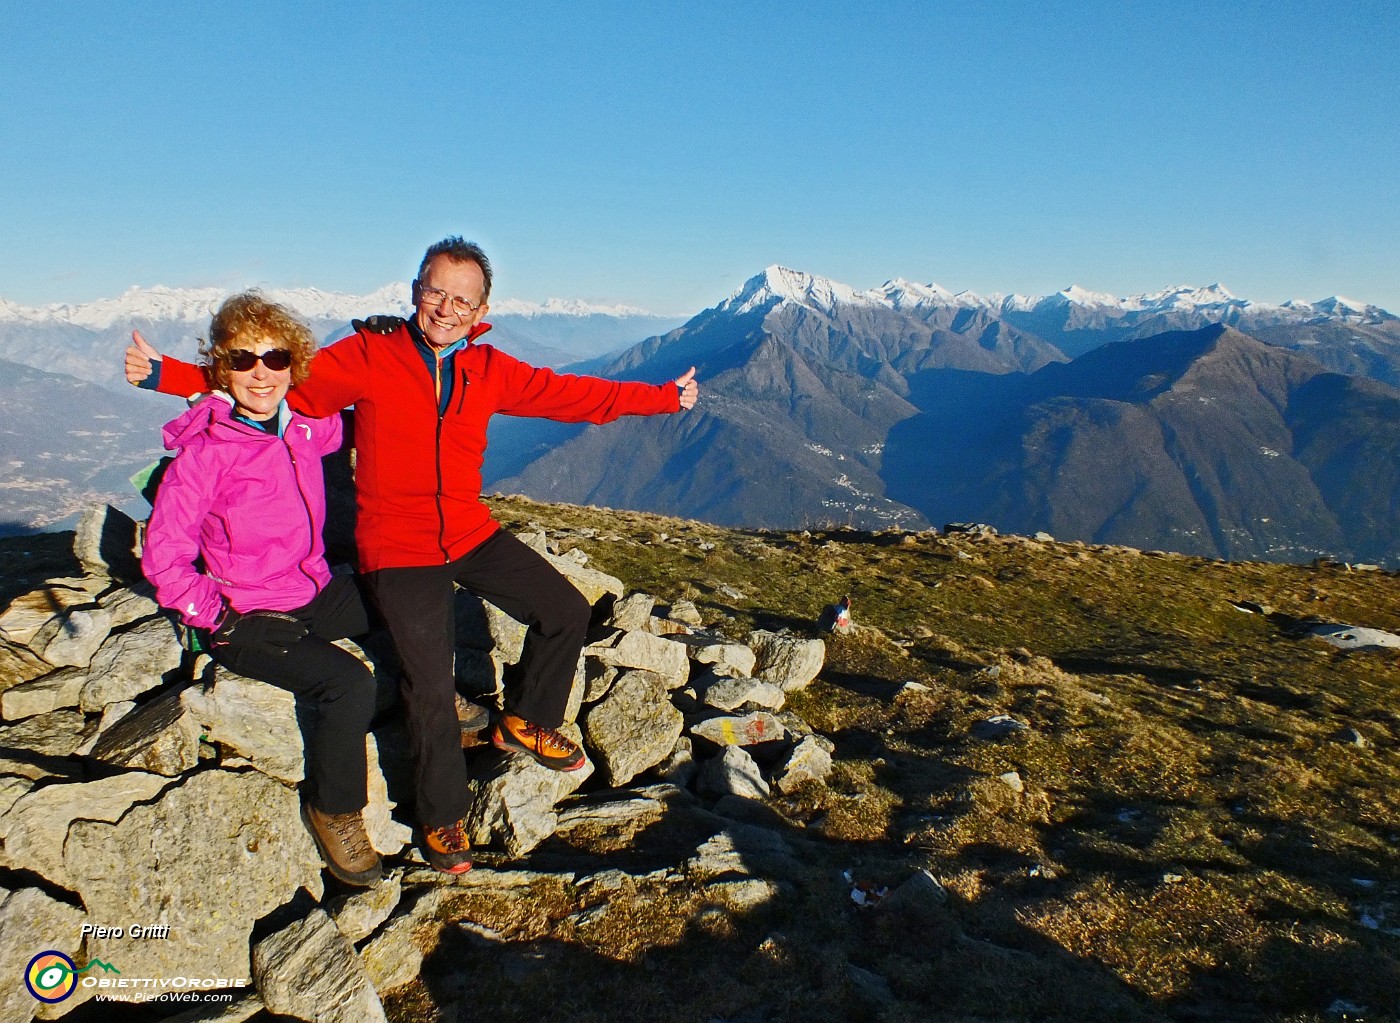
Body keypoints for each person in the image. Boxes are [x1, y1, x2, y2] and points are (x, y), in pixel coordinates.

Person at [127, 237, 699, 875]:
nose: (446, 308)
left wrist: (663, 398)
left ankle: (525, 719)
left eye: (462, 298)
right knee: (428, 680)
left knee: (564, 608)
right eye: (435, 292)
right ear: (414, 292)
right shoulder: (370, 354)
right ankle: (442, 817)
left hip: (466, 530)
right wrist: (167, 376)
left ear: (481, 308)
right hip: (397, 545)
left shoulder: (489, 368)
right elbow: (273, 379)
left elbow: (572, 396)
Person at [142, 292, 383, 887]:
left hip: (311, 588)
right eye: (243, 359)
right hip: (242, 615)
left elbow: (376, 410)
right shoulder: (205, 454)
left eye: (275, 358)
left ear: (293, 366)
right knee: (348, 682)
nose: (260, 372)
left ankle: (430, 701)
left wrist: (385, 346)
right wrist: (216, 618)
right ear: (221, 367)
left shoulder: (307, 429)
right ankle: (335, 810)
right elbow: (164, 556)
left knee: (401, 598)